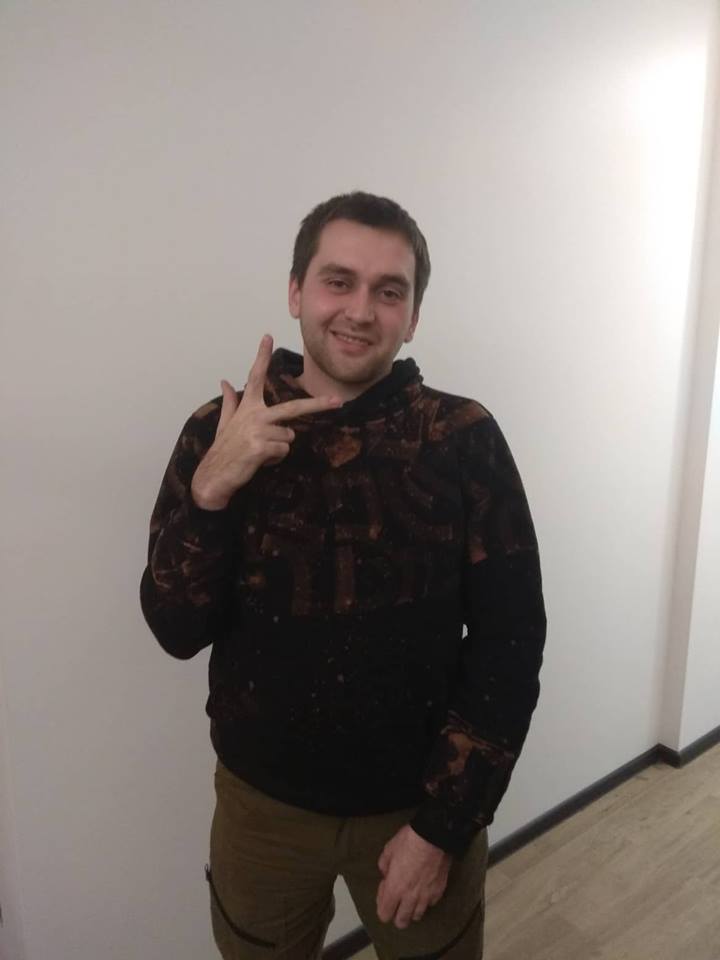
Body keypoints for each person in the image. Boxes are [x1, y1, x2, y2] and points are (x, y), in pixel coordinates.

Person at [140, 191, 546, 960]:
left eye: (389, 291)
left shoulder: (463, 440)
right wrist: (210, 492)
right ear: (296, 291)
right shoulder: (221, 431)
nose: (360, 310)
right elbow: (174, 629)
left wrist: (444, 826)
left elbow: (510, 641)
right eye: (338, 281)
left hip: (416, 807)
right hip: (262, 810)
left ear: (412, 315)